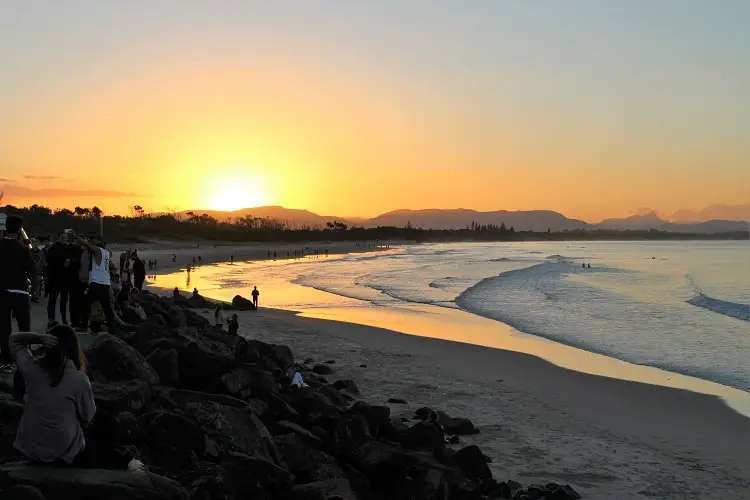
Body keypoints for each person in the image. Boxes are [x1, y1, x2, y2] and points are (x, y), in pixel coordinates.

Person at [9, 325, 96, 465]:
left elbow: (14, 340)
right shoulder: (79, 379)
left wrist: (37, 338)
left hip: (32, 448)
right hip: (64, 450)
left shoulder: (32, 369)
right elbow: (88, 416)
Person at [0, 215, 37, 370]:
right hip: (20, 291)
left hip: (1, 291)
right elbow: (33, 271)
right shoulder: (23, 249)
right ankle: (25, 358)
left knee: (3, 327)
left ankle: (5, 360)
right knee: (23, 327)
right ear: (20, 230)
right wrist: (33, 290)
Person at [77, 235, 118, 334]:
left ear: (99, 241)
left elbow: (86, 244)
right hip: (105, 282)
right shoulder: (106, 253)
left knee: (85, 302)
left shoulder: (97, 250)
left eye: (93, 239)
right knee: (107, 307)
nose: (91, 241)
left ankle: (83, 326)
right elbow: (112, 266)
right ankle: (112, 329)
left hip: (96, 282)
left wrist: (77, 237)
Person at [46, 232, 73, 326]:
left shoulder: (68, 248)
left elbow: (71, 259)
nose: (64, 239)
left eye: (66, 238)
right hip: (54, 278)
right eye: (62, 237)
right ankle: (51, 318)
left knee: (64, 300)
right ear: (58, 237)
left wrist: (69, 262)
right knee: (52, 300)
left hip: (65, 279)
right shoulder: (53, 248)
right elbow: (50, 260)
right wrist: (63, 262)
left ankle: (64, 318)